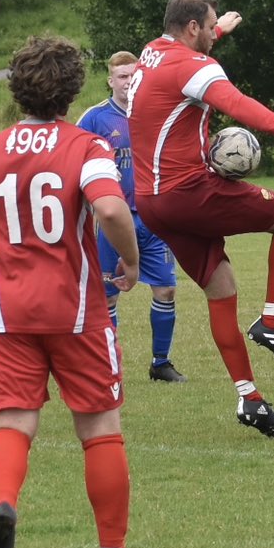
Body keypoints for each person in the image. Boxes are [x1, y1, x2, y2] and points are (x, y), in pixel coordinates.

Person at [0, 36, 147, 548]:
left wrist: (15, 246)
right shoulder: (85, 146)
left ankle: (4, 506)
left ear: (17, 89)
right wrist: (129, 263)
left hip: (8, 313)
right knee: (100, 427)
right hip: (77, 309)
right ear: (71, 89)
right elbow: (109, 206)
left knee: (12, 422)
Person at [127, 0, 274, 438]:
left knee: (222, 289)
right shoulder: (195, 66)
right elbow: (232, 101)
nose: (216, 33)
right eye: (211, 27)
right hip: (189, 191)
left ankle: (250, 400)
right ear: (192, 28)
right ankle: (272, 322)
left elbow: (181, 70)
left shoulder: (152, 52)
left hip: (153, 204)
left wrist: (220, 34)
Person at [77, 51, 187, 384]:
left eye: (132, 76)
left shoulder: (157, 113)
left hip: (156, 219)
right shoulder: (94, 119)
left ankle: (161, 363)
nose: (127, 82)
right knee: (109, 295)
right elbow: (72, 160)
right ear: (110, 80)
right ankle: (107, 366)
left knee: (166, 289)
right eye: (121, 77)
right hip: (112, 221)